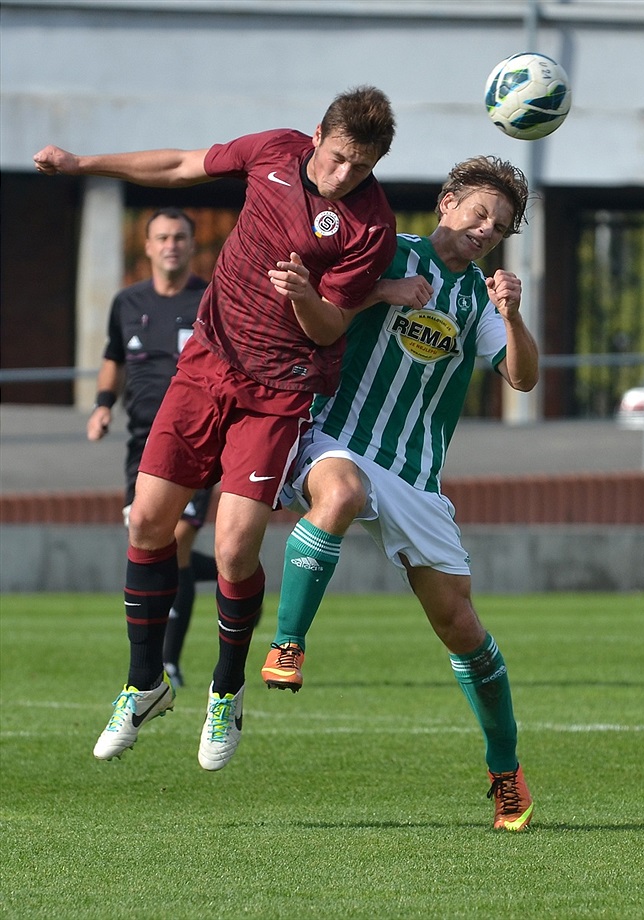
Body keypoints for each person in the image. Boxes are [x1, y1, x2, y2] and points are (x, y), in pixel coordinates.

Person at [34, 85, 397, 771]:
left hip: (281, 392)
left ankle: (225, 693)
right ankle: (145, 685)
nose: (347, 174)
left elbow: (332, 327)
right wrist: (83, 165)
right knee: (147, 522)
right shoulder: (273, 153)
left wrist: (303, 299)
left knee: (233, 552)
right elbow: (178, 165)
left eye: (364, 165)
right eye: (342, 157)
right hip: (206, 366)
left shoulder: (370, 226)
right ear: (319, 134)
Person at [260, 156, 538, 831]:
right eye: (478, 212)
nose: (484, 229)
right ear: (447, 202)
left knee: (462, 628)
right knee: (342, 491)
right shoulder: (386, 251)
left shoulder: (479, 300)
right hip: (337, 437)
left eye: (499, 227)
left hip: (415, 474)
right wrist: (383, 291)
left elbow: (522, 380)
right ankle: (288, 643)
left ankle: (507, 772)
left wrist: (514, 316)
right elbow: (317, 301)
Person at [87, 207, 218, 690]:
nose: (171, 245)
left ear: (190, 244)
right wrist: (103, 406)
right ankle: (226, 565)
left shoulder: (210, 298)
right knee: (153, 541)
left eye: (180, 237)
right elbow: (113, 357)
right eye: (162, 237)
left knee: (176, 539)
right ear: (147, 246)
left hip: (197, 438)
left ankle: (168, 662)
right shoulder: (126, 301)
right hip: (141, 445)